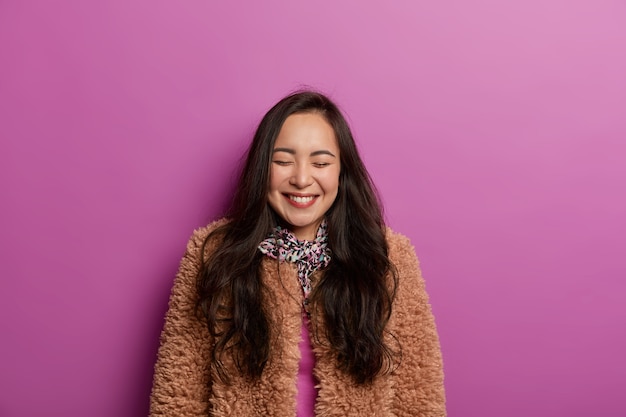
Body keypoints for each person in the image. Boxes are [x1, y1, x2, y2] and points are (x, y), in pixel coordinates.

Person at [149, 91, 446, 416]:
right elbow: (177, 396)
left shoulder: (387, 259)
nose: (302, 179)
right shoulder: (215, 256)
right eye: (283, 161)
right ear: (263, 167)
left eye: (320, 162)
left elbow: (419, 397)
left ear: (341, 172)